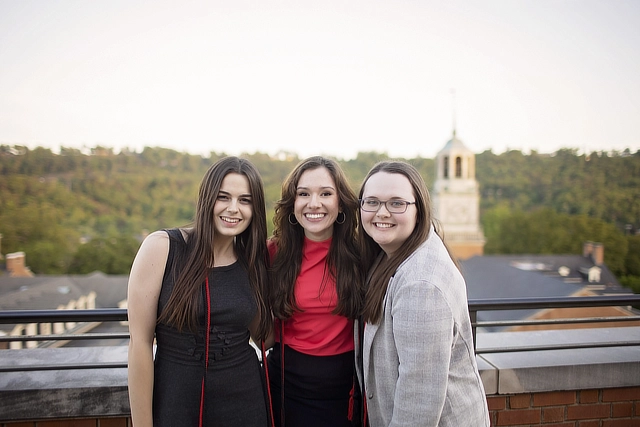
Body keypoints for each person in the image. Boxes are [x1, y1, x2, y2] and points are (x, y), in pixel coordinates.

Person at [127, 156, 273, 427]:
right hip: (175, 403)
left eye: (245, 200)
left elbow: (266, 335)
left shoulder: (252, 262)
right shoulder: (162, 248)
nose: (233, 209)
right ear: (207, 199)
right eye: (223, 197)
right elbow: (140, 344)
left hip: (246, 404)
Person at [355, 160, 490, 427]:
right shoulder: (394, 253)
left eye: (397, 203)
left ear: (419, 209)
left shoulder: (421, 284)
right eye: (372, 202)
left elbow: (418, 406)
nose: (382, 212)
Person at [267, 156, 363, 427]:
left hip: (346, 390)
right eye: (303, 194)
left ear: (341, 202)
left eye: (326, 193)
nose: (314, 203)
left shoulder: (362, 256)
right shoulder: (273, 253)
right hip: (286, 385)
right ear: (292, 203)